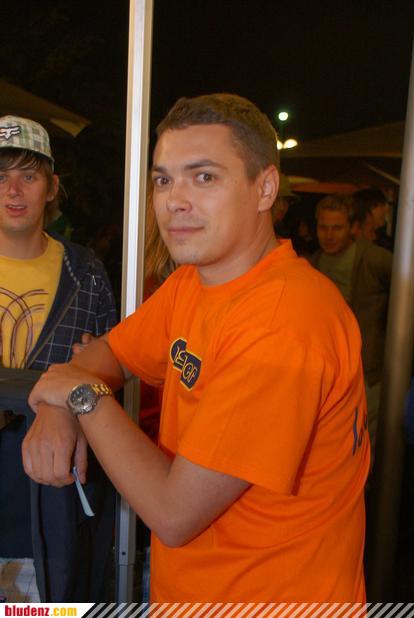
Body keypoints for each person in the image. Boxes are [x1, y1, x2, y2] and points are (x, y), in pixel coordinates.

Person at [23, 94, 369, 602]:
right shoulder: (197, 281)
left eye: (204, 177)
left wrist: (79, 397)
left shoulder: (284, 321)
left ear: (265, 188)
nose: (174, 201)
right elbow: (112, 354)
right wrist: (58, 406)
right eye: (163, 180)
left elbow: (173, 512)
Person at [0, 115, 117, 601]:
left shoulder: (85, 272)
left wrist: (81, 382)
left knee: (45, 610)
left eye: (28, 175)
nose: (13, 190)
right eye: (1, 176)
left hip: (51, 502)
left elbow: (113, 374)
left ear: (51, 188)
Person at [311, 194, 393, 456]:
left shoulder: (373, 258)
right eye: (323, 227)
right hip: (325, 375)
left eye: (337, 228)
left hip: (366, 372)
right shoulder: (311, 264)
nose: (329, 235)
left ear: (353, 228)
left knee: (364, 450)